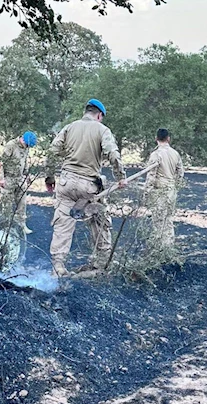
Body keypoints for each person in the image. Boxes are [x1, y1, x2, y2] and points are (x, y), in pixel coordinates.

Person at [48, 98, 126, 277]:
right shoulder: (102, 129)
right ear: (99, 115)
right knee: (100, 221)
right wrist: (121, 177)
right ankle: (102, 262)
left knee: (63, 222)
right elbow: (112, 154)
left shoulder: (69, 127)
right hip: (88, 185)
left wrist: (50, 176)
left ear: (86, 112)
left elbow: (53, 151)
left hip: (66, 183)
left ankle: (58, 267)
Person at [143, 128, 185, 255]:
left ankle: (159, 250)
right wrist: (175, 186)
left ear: (156, 139)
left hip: (159, 191)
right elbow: (180, 173)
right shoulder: (175, 154)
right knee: (168, 220)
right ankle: (169, 248)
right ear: (168, 139)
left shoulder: (156, 154)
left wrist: (147, 193)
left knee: (158, 221)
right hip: (171, 191)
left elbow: (151, 175)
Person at [0, 131, 37, 234]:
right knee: (7, 205)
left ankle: (21, 226)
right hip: (9, 179)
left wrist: (27, 175)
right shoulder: (11, 145)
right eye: (27, 145)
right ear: (22, 139)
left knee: (22, 204)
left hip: (20, 179)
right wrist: (1, 178)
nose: (27, 147)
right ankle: (6, 228)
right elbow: (1, 162)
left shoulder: (25, 148)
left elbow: (24, 162)